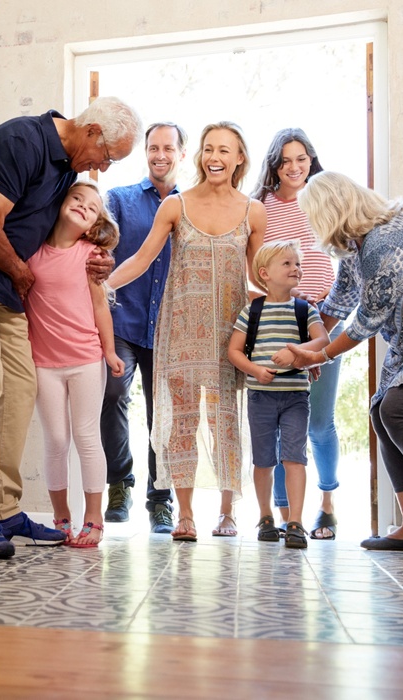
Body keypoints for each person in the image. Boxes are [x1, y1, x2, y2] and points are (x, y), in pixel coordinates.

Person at [0, 97, 142, 558]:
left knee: (20, 389)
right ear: (93, 132)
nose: (102, 167)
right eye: (107, 157)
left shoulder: (64, 167)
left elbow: (55, 237)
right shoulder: (23, 140)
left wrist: (95, 261)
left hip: (5, 281)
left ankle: (3, 510)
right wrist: (24, 274)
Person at [107, 121, 265, 542]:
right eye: (209, 148)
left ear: (239, 158)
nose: (215, 157)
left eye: (224, 150)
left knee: (224, 421)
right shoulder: (176, 206)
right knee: (181, 420)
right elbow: (140, 260)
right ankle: (186, 515)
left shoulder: (254, 211)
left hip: (230, 334)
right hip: (179, 330)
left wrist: (298, 321)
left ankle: (228, 513)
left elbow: (259, 280)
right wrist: (103, 287)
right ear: (199, 155)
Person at [286, 171, 403, 552]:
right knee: (382, 412)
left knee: (396, 408)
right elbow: (339, 302)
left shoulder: (382, 244)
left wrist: (317, 355)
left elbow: (367, 320)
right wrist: (308, 342)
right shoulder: (358, 247)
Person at [251, 128, 343, 540]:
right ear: (274, 164)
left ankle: (327, 504)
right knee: (277, 429)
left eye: (301, 158)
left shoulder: (324, 203)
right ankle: (288, 518)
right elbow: (254, 270)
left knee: (319, 423)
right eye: (285, 160)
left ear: (311, 160)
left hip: (325, 323)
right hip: (278, 328)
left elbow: (343, 264)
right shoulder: (262, 208)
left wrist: (322, 331)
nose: (294, 167)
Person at [25, 181, 125, 548]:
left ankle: (94, 519)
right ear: (60, 201)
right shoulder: (31, 252)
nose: (84, 206)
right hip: (44, 364)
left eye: (93, 207)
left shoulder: (90, 257)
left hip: (85, 359)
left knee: (86, 436)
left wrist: (110, 352)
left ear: (95, 223)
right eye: (77, 198)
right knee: (55, 440)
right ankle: (60, 518)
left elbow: (101, 307)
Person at [100, 122, 187, 533]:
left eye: (168, 148)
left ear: (181, 154)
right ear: (146, 152)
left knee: (163, 414)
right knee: (113, 391)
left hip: (172, 326)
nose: (160, 155)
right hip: (123, 318)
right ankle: (119, 483)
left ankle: (161, 498)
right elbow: (100, 247)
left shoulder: (193, 206)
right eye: (153, 147)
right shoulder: (118, 199)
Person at [227, 241, 329, 548]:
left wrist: (296, 351)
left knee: (295, 457)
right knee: (264, 460)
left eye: (297, 264)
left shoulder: (305, 310)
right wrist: (255, 371)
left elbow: (322, 340)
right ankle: (265, 516)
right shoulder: (252, 311)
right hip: (261, 397)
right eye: (287, 263)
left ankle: (295, 521)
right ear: (264, 274)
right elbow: (234, 350)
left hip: (296, 396)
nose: (295, 268)